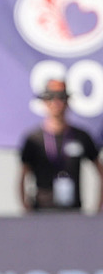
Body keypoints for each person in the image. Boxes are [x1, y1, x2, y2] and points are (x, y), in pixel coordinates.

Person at [19, 79, 103, 213]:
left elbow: (100, 171)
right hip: (41, 212)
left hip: (73, 212)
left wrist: (97, 209)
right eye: (51, 98)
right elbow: (22, 175)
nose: (57, 103)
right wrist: (25, 206)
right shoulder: (34, 139)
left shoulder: (80, 136)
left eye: (61, 98)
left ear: (67, 102)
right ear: (45, 102)